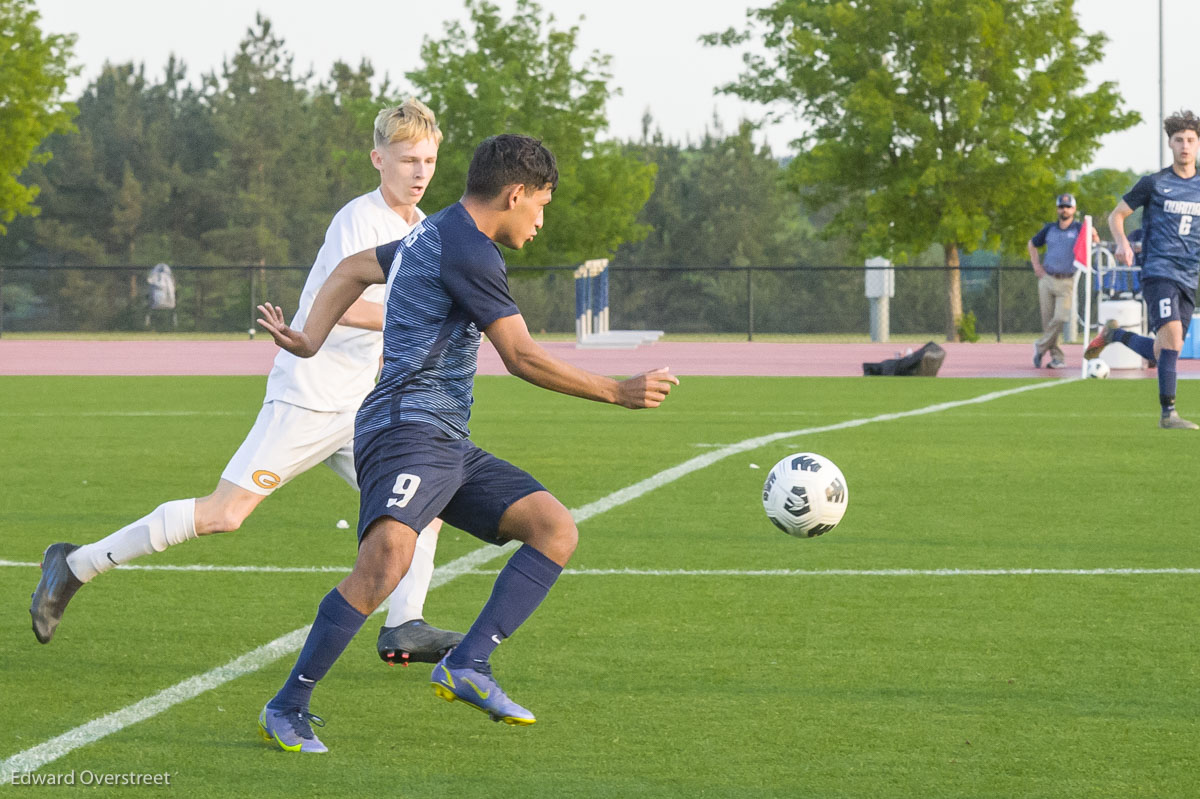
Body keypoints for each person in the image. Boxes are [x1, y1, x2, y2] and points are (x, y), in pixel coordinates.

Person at [254, 134, 678, 753]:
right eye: (541, 205)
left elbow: (351, 270)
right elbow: (521, 355)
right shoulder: (467, 250)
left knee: (554, 529)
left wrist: (312, 338)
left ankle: (467, 664)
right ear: (514, 194)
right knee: (385, 563)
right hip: (404, 430)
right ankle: (286, 705)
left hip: (443, 438)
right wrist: (619, 392)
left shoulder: (435, 232)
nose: (541, 219)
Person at [29, 99, 466, 664]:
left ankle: (404, 624)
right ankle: (74, 564)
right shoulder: (359, 220)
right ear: (378, 158)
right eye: (408, 159)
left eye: (428, 160)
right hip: (308, 399)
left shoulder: (421, 228)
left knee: (420, 508)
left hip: (358, 408)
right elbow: (331, 306)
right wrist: (420, 314)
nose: (420, 172)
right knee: (223, 514)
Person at [1086, 110, 1200, 430]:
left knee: (1162, 348)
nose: (1185, 146)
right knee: (1174, 340)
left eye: (1191, 140)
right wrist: (1121, 243)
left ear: (1198, 144)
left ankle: (1114, 334)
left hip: (1190, 277)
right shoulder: (1154, 183)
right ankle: (1169, 414)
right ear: (1170, 144)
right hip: (1158, 271)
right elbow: (1116, 216)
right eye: (1179, 140)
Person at [1028, 193, 1097, 369]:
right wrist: (1036, 266)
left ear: (1074, 209)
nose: (1064, 209)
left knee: (1060, 318)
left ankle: (1040, 346)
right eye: (1061, 206)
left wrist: (1093, 235)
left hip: (1067, 280)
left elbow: (1094, 243)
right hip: (1047, 278)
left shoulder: (1079, 228)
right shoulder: (1049, 228)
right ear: (1057, 209)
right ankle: (1057, 358)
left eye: (1068, 206)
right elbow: (1032, 244)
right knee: (1047, 322)